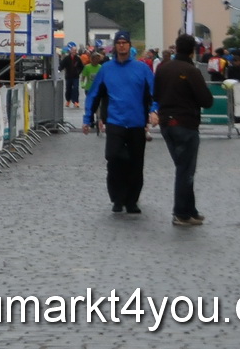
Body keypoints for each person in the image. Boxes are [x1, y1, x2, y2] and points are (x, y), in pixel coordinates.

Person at [83, 30, 155, 214]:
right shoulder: (106, 69)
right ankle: (117, 198)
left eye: (125, 42)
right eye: (119, 42)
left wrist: (154, 111)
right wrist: (87, 118)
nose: (122, 45)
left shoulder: (142, 69)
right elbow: (94, 94)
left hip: (137, 123)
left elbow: (155, 93)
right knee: (114, 158)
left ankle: (132, 201)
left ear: (130, 45)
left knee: (136, 163)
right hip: (115, 122)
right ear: (114, 46)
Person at [154, 32, 213, 226]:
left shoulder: (163, 68)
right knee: (185, 170)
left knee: (183, 167)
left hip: (166, 123)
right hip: (185, 123)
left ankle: (190, 209)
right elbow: (207, 100)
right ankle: (180, 212)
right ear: (193, 51)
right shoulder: (191, 71)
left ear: (176, 47)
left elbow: (155, 95)